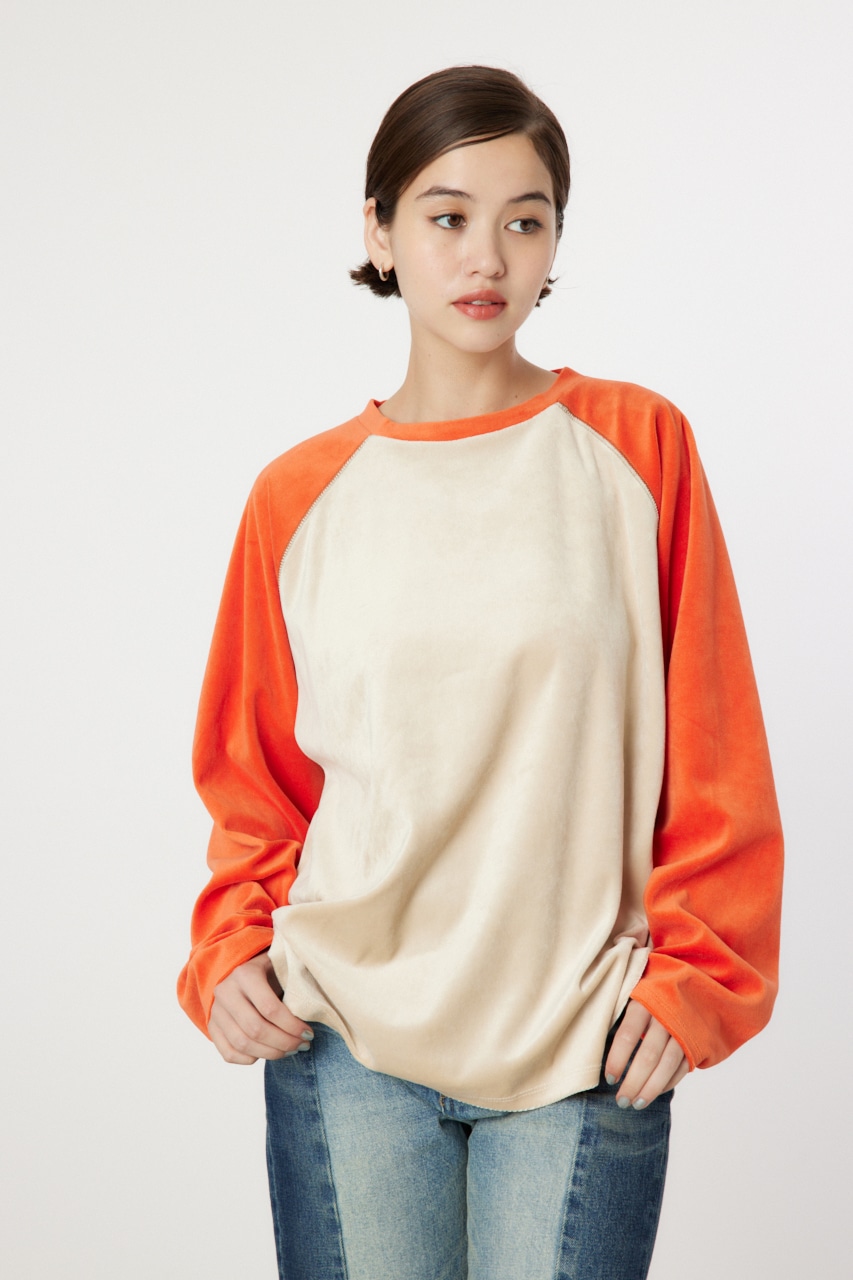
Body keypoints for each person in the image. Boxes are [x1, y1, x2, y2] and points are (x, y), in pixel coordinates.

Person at [178, 65, 783, 1280]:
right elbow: (255, 778)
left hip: (582, 1034)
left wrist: (692, 981)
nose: (487, 257)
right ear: (380, 231)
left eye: (525, 219)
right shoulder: (298, 497)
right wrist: (229, 950)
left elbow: (714, 751)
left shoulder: (637, 447)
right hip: (345, 1034)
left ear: (556, 237)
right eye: (447, 216)